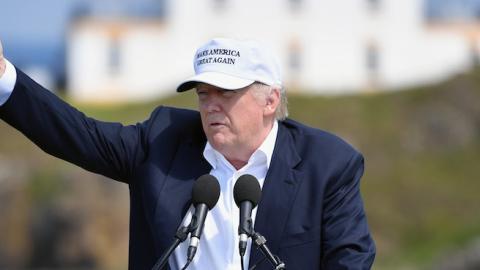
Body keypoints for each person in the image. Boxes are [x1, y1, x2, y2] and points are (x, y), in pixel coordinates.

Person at [0, 37, 375, 269]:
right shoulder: (162, 142)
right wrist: (3, 77)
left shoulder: (327, 165)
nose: (211, 106)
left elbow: (350, 262)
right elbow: (77, 135)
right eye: (203, 94)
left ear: (270, 100)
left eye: (225, 93)